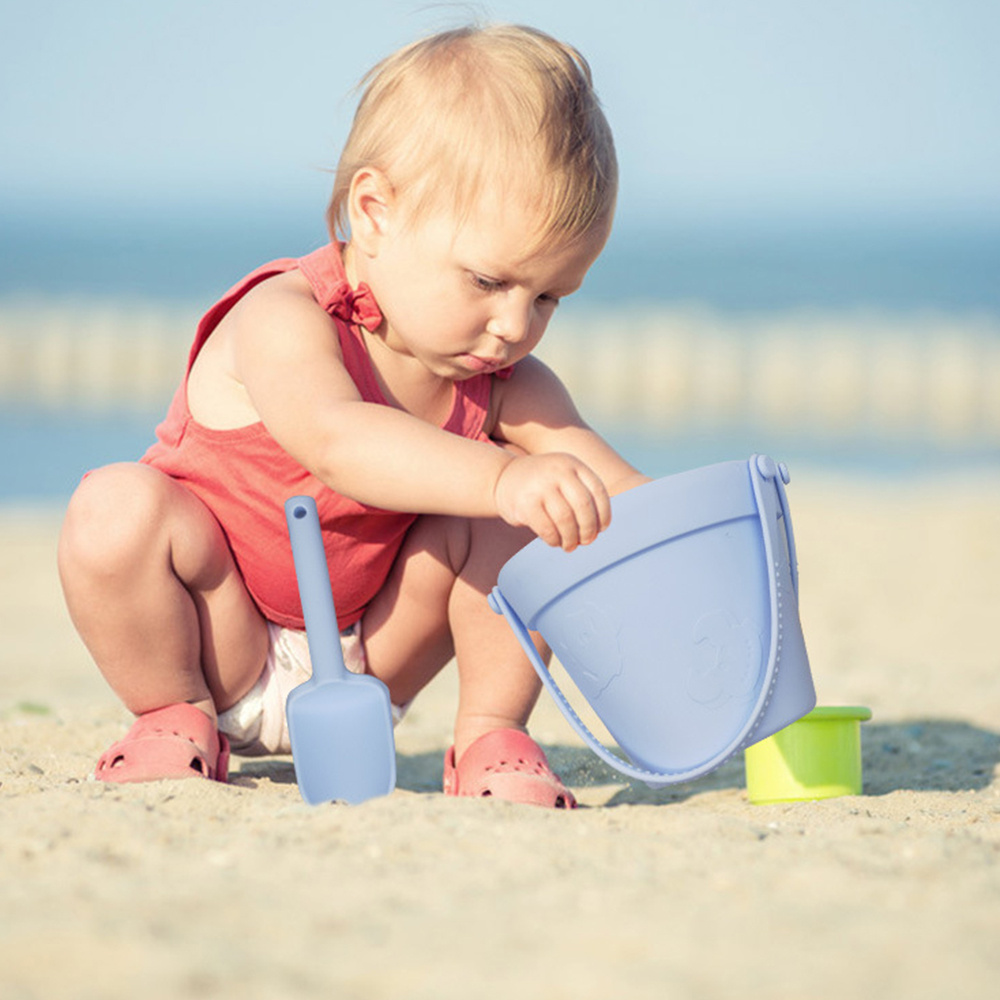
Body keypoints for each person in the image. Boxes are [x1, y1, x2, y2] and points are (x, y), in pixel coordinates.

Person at [57, 23, 648, 809]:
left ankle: (489, 733)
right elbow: (337, 441)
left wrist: (716, 548)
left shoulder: (505, 379)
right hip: (220, 635)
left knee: (543, 501)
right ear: (375, 213)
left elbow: (621, 496)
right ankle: (174, 712)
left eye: (548, 297)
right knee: (113, 509)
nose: (515, 324)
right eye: (487, 281)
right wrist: (505, 475)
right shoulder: (284, 316)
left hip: (373, 656)